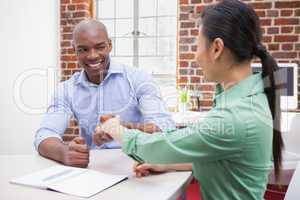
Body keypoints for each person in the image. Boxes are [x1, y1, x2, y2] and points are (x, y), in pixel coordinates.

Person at [98, 0, 284, 199]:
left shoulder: (235, 116)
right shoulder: (250, 97)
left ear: (216, 48)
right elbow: (221, 157)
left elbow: (154, 147)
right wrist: (166, 164)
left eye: (197, 45)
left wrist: (113, 127)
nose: (196, 56)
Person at [34, 19, 175, 168]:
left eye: (99, 47)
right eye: (83, 49)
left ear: (109, 45)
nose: (92, 55)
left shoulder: (138, 79)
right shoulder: (66, 89)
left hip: (139, 166)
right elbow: (44, 134)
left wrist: (121, 129)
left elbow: (165, 128)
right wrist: (63, 152)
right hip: (94, 171)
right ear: (74, 50)